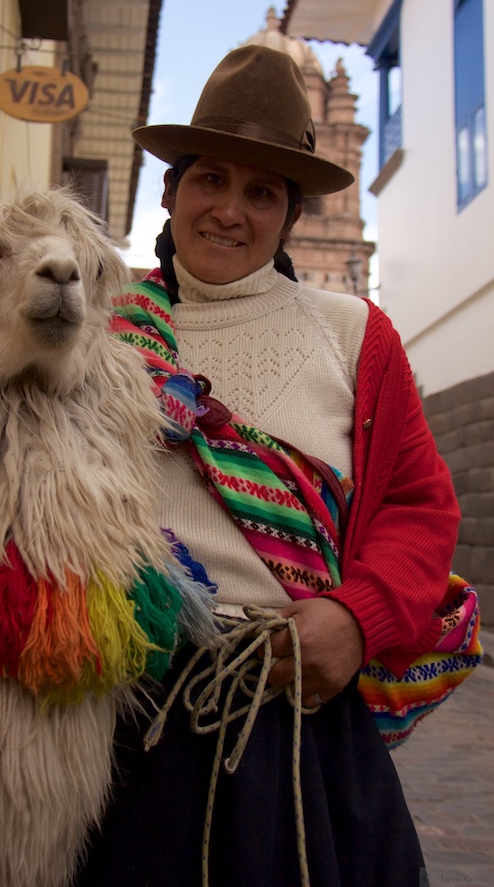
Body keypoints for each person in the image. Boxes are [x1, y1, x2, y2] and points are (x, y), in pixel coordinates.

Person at [76, 45, 463, 887]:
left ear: (289, 216)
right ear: (171, 191)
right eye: (209, 178)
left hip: (295, 730)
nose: (228, 210)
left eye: (261, 191)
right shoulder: (101, 329)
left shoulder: (355, 335)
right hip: (117, 722)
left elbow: (414, 509)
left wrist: (357, 619)